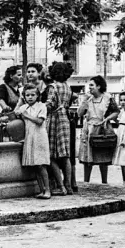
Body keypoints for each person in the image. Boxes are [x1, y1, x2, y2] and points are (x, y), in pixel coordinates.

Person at [77, 75, 120, 185]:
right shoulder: (88, 99)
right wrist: (84, 101)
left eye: (92, 85)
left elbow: (116, 111)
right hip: (89, 128)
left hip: (102, 128)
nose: (89, 87)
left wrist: (107, 119)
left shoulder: (107, 98)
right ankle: (86, 182)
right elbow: (79, 113)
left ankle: (104, 182)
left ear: (99, 86)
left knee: (103, 155)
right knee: (87, 157)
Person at [15, 83, 52, 199]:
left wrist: (26, 116)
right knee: (35, 165)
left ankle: (48, 190)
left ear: (37, 96)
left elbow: (40, 121)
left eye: (32, 95)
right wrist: (20, 105)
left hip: (39, 137)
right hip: (30, 137)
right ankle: (42, 190)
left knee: (41, 164)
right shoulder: (24, 107)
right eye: (27, 95)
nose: (30, 97)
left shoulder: (41, 106)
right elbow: (15, 111)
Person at [46, 61, 74, 195]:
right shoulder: (67, 87)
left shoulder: (53, 86)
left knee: (50, 154)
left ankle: (60, 186)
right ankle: (68, 185)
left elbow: (50, 104)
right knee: (65, 154)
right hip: (64, 119)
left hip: (54, 119)